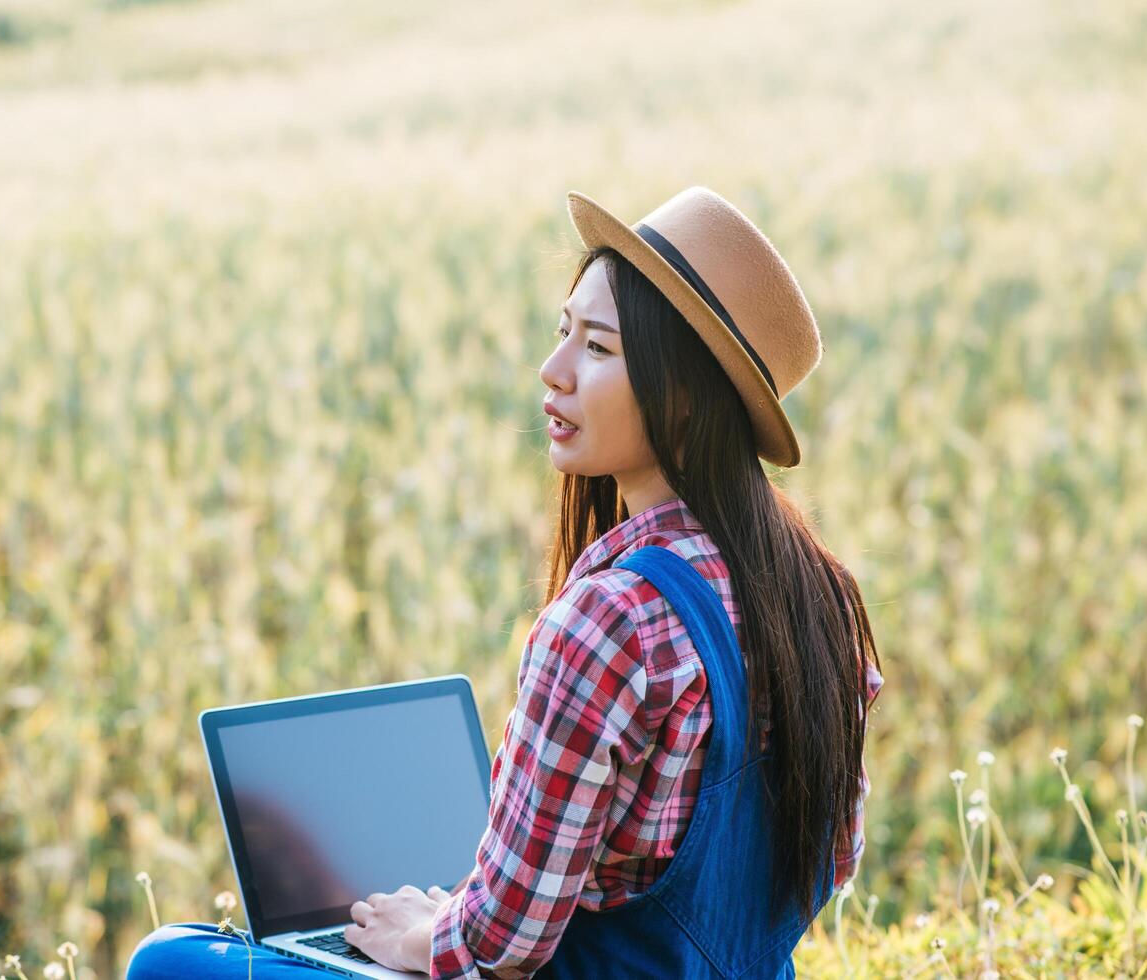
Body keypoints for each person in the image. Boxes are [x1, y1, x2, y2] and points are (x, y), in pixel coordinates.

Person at [125, 186, 884, 979]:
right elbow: (834, 859)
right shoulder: (819, 595)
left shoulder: (611, 618)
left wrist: (426, 933)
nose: (552, 372)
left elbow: (504, 946)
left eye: (597, 348)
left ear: (685, 395)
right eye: (563, 333)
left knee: (170, 960)